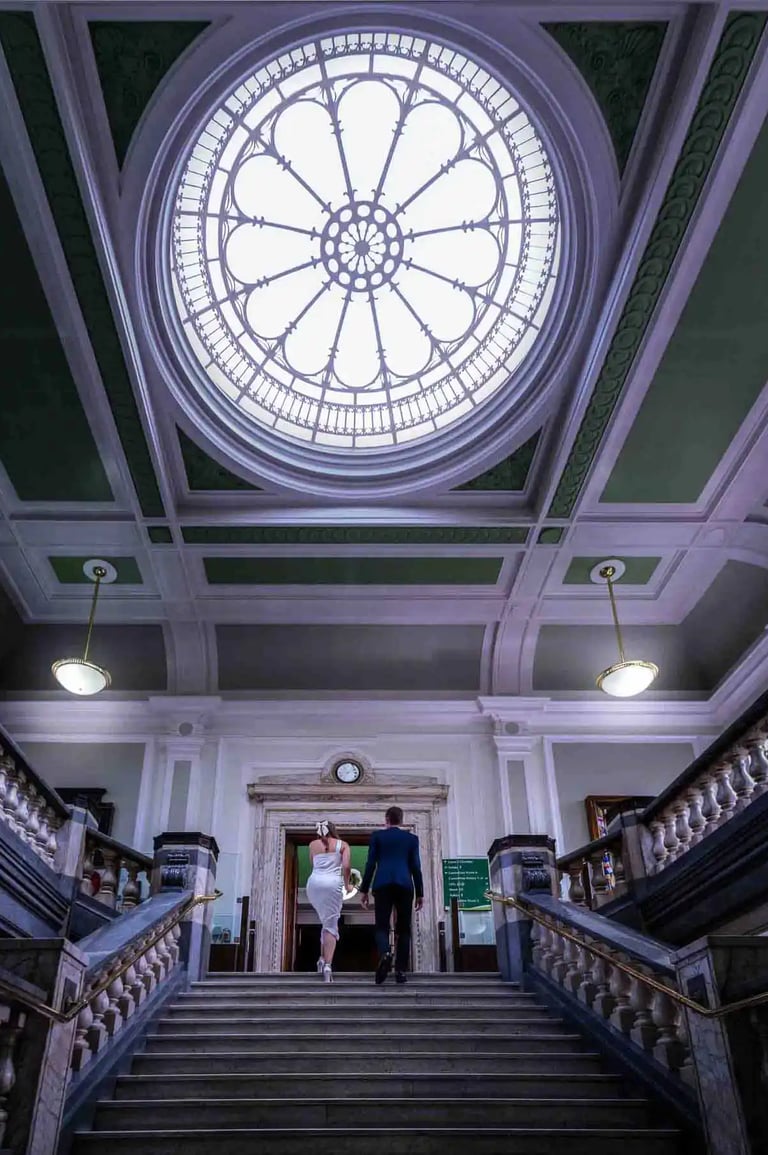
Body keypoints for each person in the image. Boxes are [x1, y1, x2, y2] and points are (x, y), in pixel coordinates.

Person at [360, 805, 423, 985]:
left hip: (382, 883)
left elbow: (370, 864)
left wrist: (364, 890)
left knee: (381, 926)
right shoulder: (412, 839)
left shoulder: (377, 836)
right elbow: (416, 867)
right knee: (404, 929)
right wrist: (420, 892)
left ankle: (386, 952)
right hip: (405, 884)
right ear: (401, 820)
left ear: (386, 819)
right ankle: (401, 971)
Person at [305, 819, 351, 983]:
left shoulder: (312, 845)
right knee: (331, 926)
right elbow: (346, 867)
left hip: (314, 884)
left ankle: (321, 959)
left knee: (325, 923)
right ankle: (328, 966)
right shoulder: (343, 844)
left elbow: (313, 864)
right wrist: (348, 885)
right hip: (332, 885)